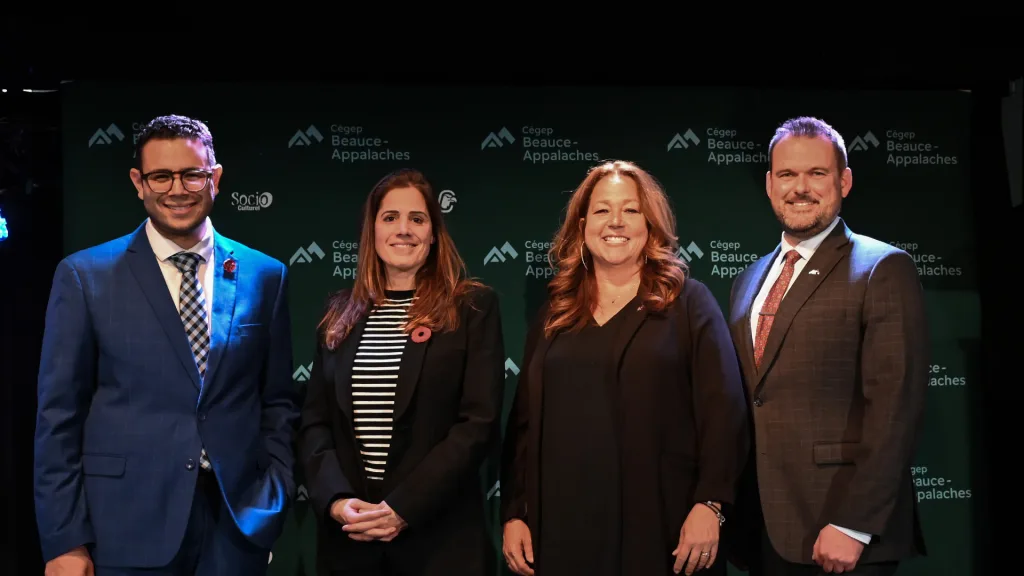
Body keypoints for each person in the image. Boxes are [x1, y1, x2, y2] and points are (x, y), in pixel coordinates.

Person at [33, 114, 300, 575]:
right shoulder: (84, 276)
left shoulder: (266, 275)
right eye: (161, 175)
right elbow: (58, 417)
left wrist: (271, 498)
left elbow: (277, 401)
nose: (177, 188)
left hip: (236, 530)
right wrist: (65, 540)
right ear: (139, 182)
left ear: (214, 177)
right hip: (123, 526)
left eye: (192, 173)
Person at [500, 160, 750, 576]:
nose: (615, 221)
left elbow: (725, 413)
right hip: (563, 532)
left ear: (649, 225)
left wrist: (711, 504)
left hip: (664, 532)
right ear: (582, 226)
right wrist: (514, 512)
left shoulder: (689, 303)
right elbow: (524, 428)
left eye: (631, 210)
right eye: (601, 210)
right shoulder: (554, 315)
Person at [726, 116, 929, 575]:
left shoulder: (883, 267)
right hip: (762, 527)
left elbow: (896, 406)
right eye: (787, 174)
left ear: (844, 180)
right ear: (769, 184)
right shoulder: (746, 281)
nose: (801, 187)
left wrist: (855, 524)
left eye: (816, 173)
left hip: (842, 532)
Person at [297, 168, 505, 576]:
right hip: (351, 543)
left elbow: (477, 423)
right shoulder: (338, 313)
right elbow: (314, 423)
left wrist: (403, 507)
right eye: (389, 217)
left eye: (417, 218)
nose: (403, 229)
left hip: (441, 543)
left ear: (433, 232)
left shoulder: (472, 308)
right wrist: (338, 502)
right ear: (371, 231)